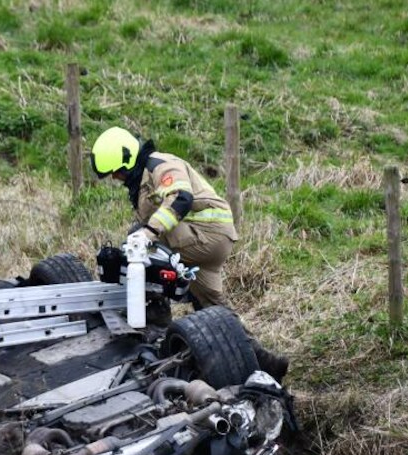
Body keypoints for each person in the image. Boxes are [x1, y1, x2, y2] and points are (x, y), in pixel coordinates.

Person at [89, 127, 288, 381]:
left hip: (208, 235)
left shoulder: (161, 165)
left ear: (127, 161)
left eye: (116, 172)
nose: (116, 178)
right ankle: (265, 362)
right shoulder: (142, 180)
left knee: (138, 244)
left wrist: (148, 231)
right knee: (212, 310)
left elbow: (181, 198)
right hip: (200, 242)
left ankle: (155, 317)